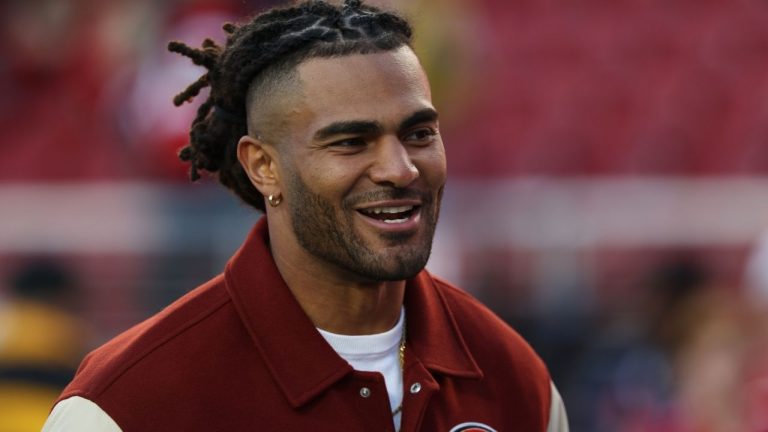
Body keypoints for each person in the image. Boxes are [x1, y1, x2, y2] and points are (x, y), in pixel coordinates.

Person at [43, 1, 568, 430]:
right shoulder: (125, 406)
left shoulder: (518, 382)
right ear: (264, 167)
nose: (400, 168)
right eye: (350, 141)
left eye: (419, 134)